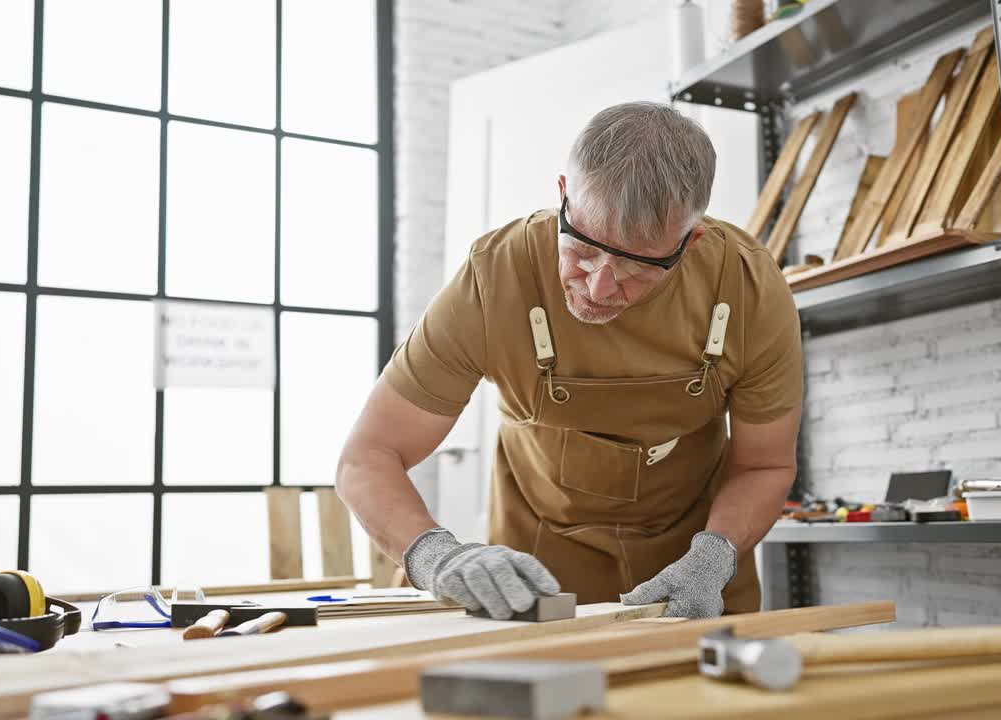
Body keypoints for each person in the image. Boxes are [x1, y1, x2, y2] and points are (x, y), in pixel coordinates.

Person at [337, 101, 802, 619]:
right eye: (582, 248)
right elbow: (368, 457)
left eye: (637, 266)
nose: (600, 287)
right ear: (563, 195)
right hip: (538, 573)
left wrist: (714, 558)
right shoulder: (498, 276)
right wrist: (435, 555)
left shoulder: (748, 289)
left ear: (690, 241)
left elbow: (765, 463)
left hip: (694, 571)